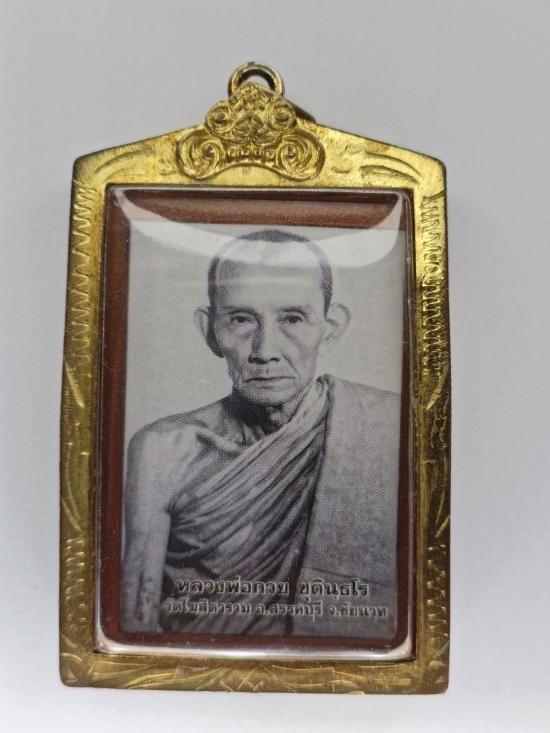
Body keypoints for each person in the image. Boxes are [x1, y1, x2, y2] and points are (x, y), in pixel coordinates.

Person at [121, 230, 401, 639]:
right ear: (209, 330)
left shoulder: (385, 428)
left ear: (331, 328)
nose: (265, 350)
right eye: (241, 319)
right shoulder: (165, 451)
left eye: (292, 319)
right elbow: (136, 621)